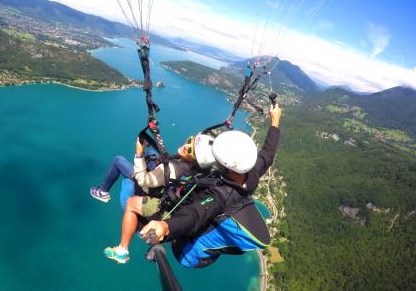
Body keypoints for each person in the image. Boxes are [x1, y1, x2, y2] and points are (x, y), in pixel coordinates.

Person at [139, 104, 282, 268]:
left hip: (186, 252)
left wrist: (166, 226)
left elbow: (196, 214)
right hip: (208, 238)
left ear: (223, 165)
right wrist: (275, 121)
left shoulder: (219, 195)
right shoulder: (252, 175)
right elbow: (268, 154)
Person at [103, 133, 215, 264]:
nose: (186, 146)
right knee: (151, 152)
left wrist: (139, 153)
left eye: (190, 149)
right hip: (174, 198)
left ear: (197, 159)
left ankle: (122, 251)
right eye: (190, 141)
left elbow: (143, 180)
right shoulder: (202, 169)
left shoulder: (173, 168)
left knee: (131, 202)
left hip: (163, 207)